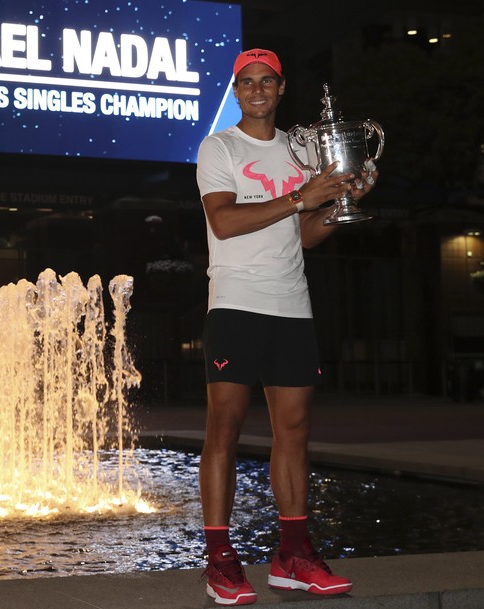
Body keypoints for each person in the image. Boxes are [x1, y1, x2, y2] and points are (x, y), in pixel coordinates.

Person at [195, 48, 377, 606]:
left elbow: (299, 237)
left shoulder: (302, 152)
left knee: (293, 431)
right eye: (245, 82)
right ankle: (221, 559)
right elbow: (224, 222)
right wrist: (302, 196)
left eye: (265, 81)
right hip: (235, 303)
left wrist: (335, 205)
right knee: (223, 428)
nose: (256, 90)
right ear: (236, 91)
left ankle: (292, 555)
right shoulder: (219, 147)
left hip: (292, 305)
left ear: (280, 89)